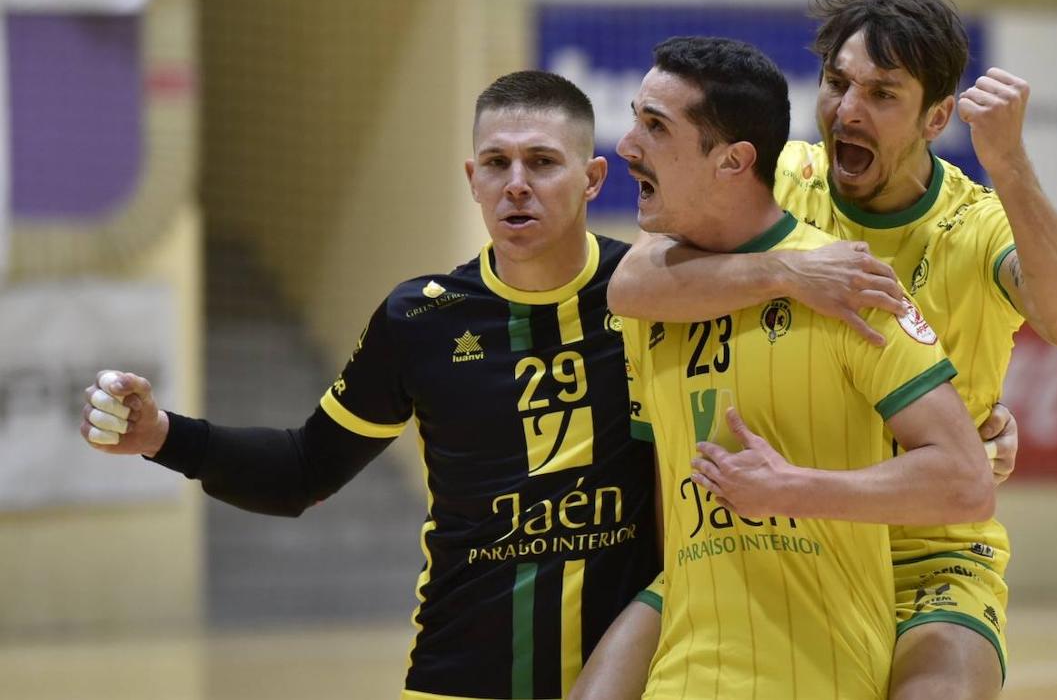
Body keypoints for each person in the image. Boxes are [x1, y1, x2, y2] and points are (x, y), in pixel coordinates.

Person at [79, 70, 664, 700]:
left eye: (543, 162)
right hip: (457, 680)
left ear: (593, 178)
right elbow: (304, 470)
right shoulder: (420, 319)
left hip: (630, 681)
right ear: (473, 179)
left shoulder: (657, 294)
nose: (516, 184)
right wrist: (161, 435)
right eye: (497, 162)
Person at [596, 0, 1057, 700]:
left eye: (883, 94)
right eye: (838, 82)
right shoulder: (784, 177)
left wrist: (1010, 164)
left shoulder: (977, 223)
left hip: (926, 557)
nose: (847, 110)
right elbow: (635, 282)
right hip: (772, 542)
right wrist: (788, 270)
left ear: (937, 119)